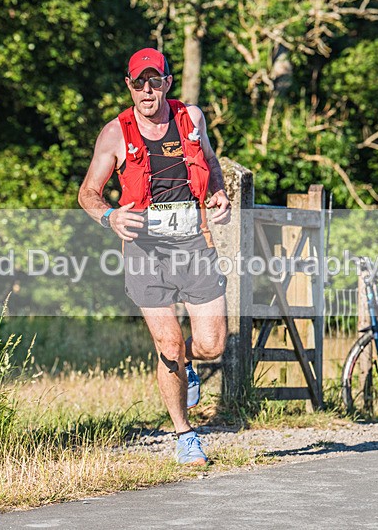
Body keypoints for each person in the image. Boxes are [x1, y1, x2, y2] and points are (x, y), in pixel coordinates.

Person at [78, 48, 231, 466]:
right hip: (145, 250)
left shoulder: (192, 119)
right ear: (129, 85)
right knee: (168, 342)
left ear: (166, 82)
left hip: (194, 244)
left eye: (155, 81)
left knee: (212, 343)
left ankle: (186, 364)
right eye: (138, 82)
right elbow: (87, 194)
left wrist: (217, 192)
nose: (147, 90)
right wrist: (109, 216)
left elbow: (212, 165)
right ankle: (185, 436)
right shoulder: (115, 133)